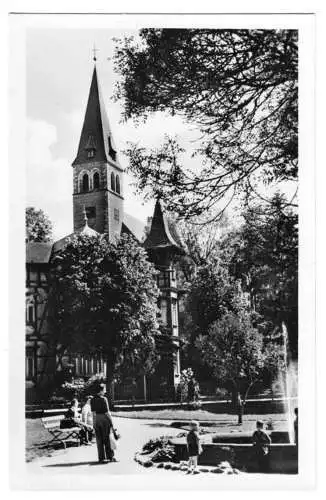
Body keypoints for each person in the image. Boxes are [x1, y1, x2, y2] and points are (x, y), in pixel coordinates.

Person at [91, 383, 118, 463]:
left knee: (99, 440)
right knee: (107, 439)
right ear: (101, 390)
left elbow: (93, 413)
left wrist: (94, 423)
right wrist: (112, 423)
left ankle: (101, 458)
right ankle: (110, 457)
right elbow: (107, 412)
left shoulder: (92, 399)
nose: (105, 391)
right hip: (104, 419)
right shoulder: (104, 399)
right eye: (104, 389)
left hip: (97, 419)